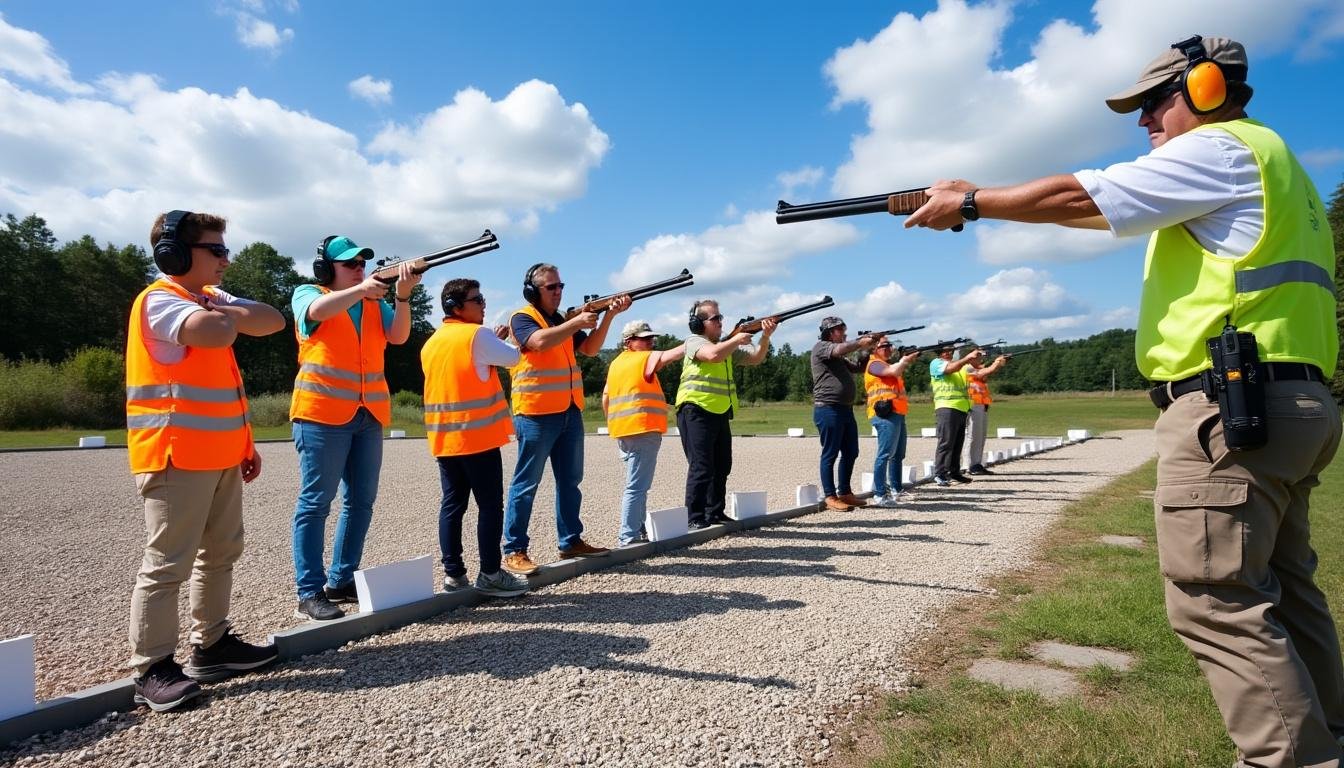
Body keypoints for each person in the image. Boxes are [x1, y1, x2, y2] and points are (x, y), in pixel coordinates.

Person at [906, 36, 1342, 767]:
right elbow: (1093, 212)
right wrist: (980, 209)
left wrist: (974, 200)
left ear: (1205, 87)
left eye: (1154, 101)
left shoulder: (1219, 150)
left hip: (1231, 409)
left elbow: (1083, 193)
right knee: (1286, 587)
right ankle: (1330, 731)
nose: (1144, 120)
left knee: (1214, 594)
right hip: (1290, 404)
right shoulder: (1275, 162)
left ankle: (1293, 760)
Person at [125, 210, 285, 711]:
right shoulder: (159, 300)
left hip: (219, 452)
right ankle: (151, 666)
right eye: (215, 250)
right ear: (174, 255)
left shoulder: (209, 300)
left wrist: (244, 445)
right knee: (167, 563)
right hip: (175, 454)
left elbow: (272, 321)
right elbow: (216, 334)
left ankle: (212, 645)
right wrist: (221, 310)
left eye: (224, 248)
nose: (225, 258)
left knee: (221, 553)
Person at [289, 235, 421, 621]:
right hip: (321, 412)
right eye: (349, 263)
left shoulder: (370, 301)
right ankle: (309, 591)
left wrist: (402, 296)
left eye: (362, 262)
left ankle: (340, 579)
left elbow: (398, 336)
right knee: (316, 503)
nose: (359, 267)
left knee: (361, 502)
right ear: (326, 269)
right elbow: (317, 311)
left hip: (368, 414)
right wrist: (365, 289)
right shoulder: (308, 292)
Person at [502, 263, 630, 575]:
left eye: (561, 286)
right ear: (534, 291)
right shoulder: (522, 318)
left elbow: (590, 348)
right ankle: (514, 549)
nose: (558, 292)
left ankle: (570, 540)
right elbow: (538, 342)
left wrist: (609, 315)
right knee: (526, 483)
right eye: (551, 287)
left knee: (570, 481)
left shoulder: (563, 321)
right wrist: (576, 323)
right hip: (535, 412)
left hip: (568, 411)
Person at [421, 278, 529, 597]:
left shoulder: (432, 342)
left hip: (445, 438)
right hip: (477, 438)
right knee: (491, 506)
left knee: (453, 505)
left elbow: (465, 372)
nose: (483, 304)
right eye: (477, 299)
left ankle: (454, 575)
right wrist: (502, 342)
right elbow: (513, 358)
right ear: (457, 307)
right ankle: (491, 574)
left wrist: (491, 343)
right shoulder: (476, 335)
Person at [675, 299, 776, 529]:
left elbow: (756, 358)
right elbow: (712, 355)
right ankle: (694, 516)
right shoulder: (694, 341)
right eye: (715, 318)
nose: (720, 322)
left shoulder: (726, 346)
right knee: (701, 466)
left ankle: (715, 512)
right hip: (695, 409)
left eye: (721, 317)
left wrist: (766, 336)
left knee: (722, 464)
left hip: (719, 411)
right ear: (698, 324)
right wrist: (735, 339)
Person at [602, 320, 686, 545]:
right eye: (645, 338)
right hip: (643, 427)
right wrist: (695, 342)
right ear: (629, 342)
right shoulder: (643, 359)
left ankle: (638, 531)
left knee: (636, 484)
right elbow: (672, 355)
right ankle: (628, 536)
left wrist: (613, 424)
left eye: (652, 338)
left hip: (623, 430)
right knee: (637, 487)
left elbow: (606, 397)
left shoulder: (616, 363)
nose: (651, 342)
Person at [811, 317, 876, 511]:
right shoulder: (821, 347)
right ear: (830, 332)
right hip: (828, 409)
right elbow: (840, 349)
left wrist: (867, 349)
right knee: (830, 454)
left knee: (851, 451)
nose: (845, 334)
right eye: (841, 330)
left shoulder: (838, 355)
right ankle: (830, 496)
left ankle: (845, 492)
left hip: (844, 409)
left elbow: (859, 368)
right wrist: (859, 343)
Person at [863, 336, 920, 507]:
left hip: (897, 412)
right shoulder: (873, 363)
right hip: (884, 414)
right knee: (885, 454)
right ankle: (880, 494)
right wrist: (904, 360)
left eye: (890, 345)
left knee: (898, 454)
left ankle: (896, 489)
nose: (889, 348)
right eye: (884, 346)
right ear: (874, 348)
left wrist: (905, 360)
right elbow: (893, 372)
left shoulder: (887, 363)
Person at [928, 343, 983, 486]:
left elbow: (979, 370)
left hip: (960, 408)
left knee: (957, 443)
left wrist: (994, 363)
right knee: (946, 442)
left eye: (951, 350)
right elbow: (950, 369)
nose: (949, 353)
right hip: (946, 407)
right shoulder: (936, 363)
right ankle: (940, 473)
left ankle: (954, 472)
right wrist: (967, 357)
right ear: (940, 352)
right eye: (946, 350)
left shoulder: (959, 366)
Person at [963, 350, 1008, 475]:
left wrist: (998, 364)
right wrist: (996, 362)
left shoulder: (975, 369)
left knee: (980, 436)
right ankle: (969, 464)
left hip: (981, 404)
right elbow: (985, 371)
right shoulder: (967, 368)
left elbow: (986, 373)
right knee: (973, 436)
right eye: (978, 357)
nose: (980, 359)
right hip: (972, 404)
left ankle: (976, 463)